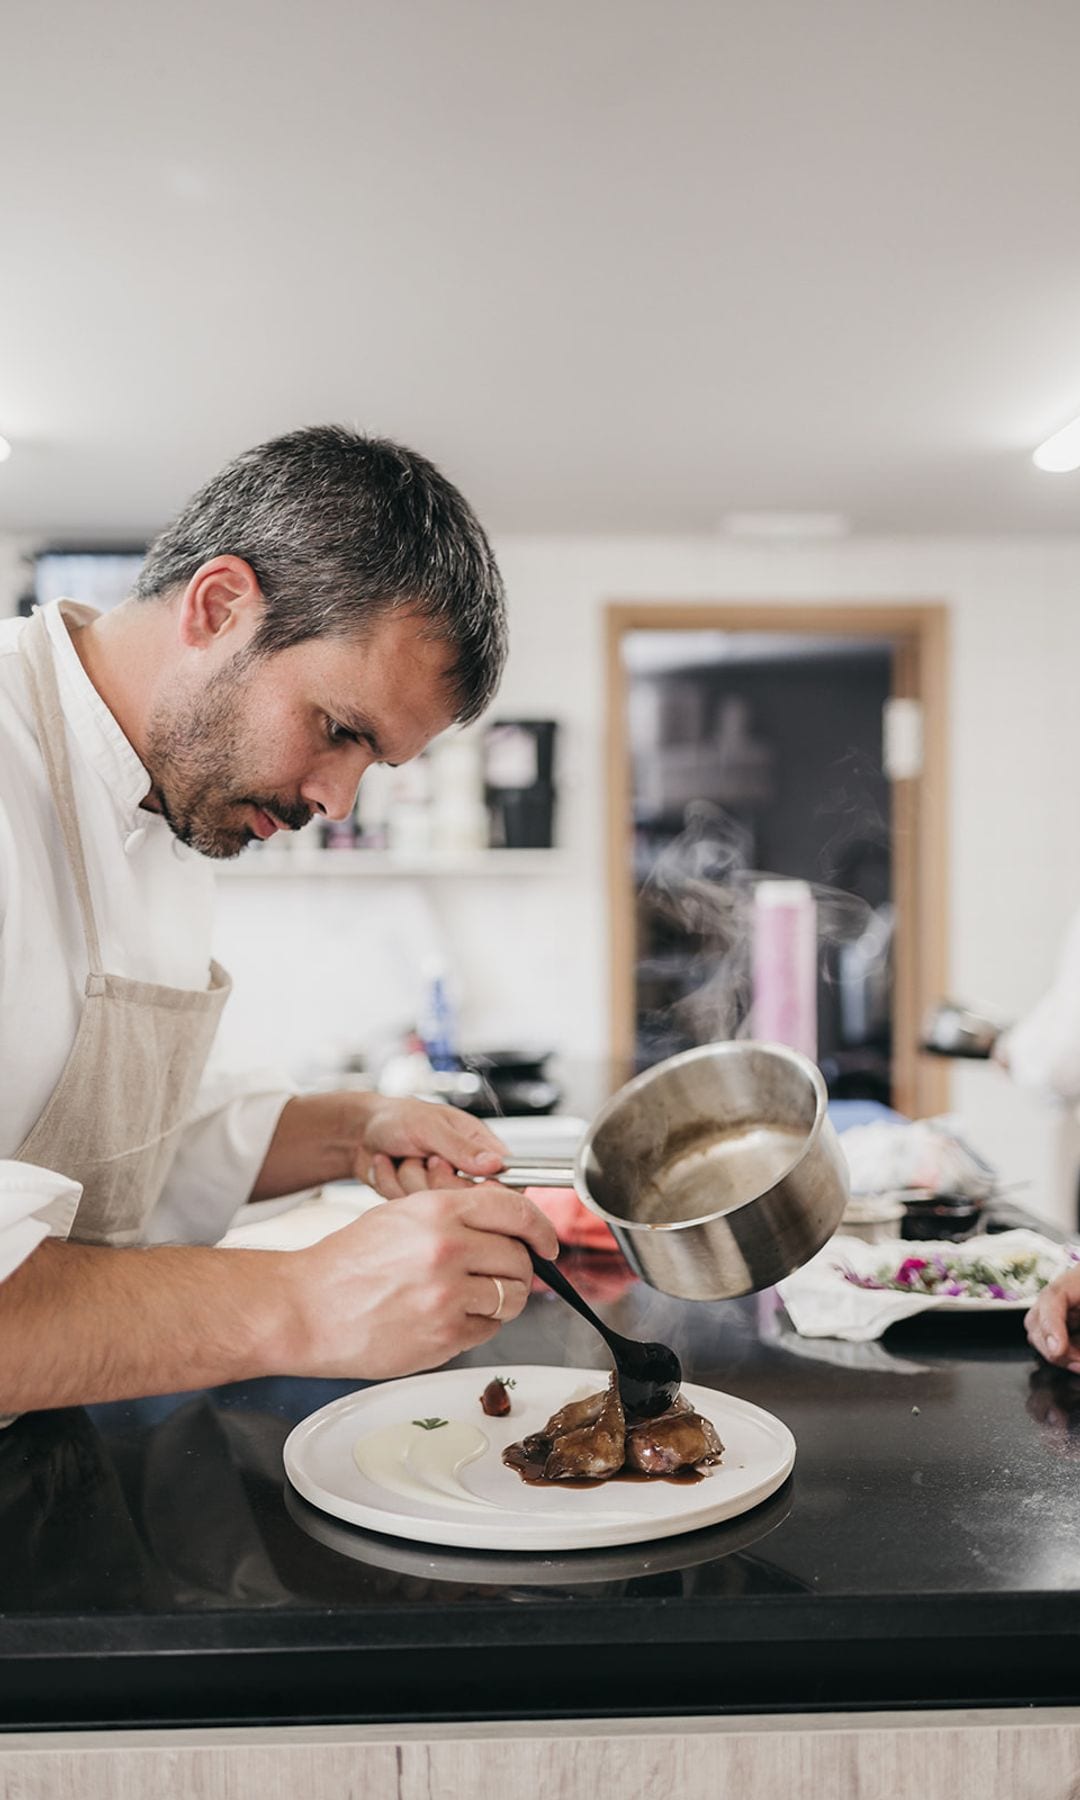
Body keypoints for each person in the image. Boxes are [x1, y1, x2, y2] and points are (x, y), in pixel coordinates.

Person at [0, 425, 559, 1415]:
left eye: (371, 762)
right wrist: (304, 1302)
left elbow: (114, 1146)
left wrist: (355, 1131)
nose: (337, 801)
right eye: (339, 729)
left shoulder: (171, 806)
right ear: (220, 606)